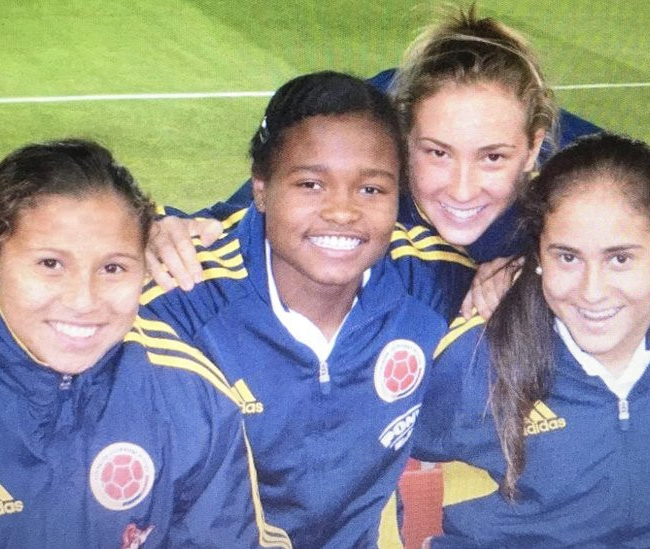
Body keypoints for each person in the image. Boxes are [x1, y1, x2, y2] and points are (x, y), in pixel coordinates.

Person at [147, 6, 650, 331]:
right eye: (436, 152)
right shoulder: (367, 139)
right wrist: (166, 229)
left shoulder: (565, 162)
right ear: (404, 138)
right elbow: (242, 212)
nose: (461, 189)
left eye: (493, 157)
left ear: (533, 149)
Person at [139, 72, 450, 548]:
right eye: (310, 184)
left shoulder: (430, 283)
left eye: (371, 189)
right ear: (260, 188)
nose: (342, 211)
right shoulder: (181, 307)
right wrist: (138, 230)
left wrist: (512, 270)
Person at [0, 139, 287, 547]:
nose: (83, 301)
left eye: (113, 268)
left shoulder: (190, 395)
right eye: (50, 264)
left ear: (145, 266)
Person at [411, 133, 650, 548]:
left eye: (620, 258)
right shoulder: (479, 356)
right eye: (567, 257)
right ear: (537, 254)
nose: (592, 291)